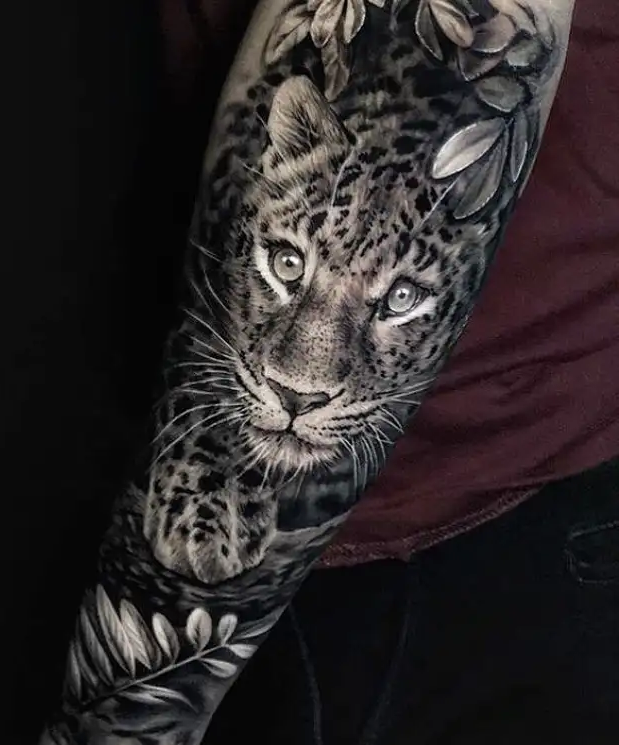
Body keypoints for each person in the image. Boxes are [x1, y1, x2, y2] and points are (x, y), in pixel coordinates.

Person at [33, 0, 619, 743]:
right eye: (288, 263)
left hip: (384, 563)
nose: (302, 373)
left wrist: (125, 726)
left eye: (397, 297)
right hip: (557, 495)